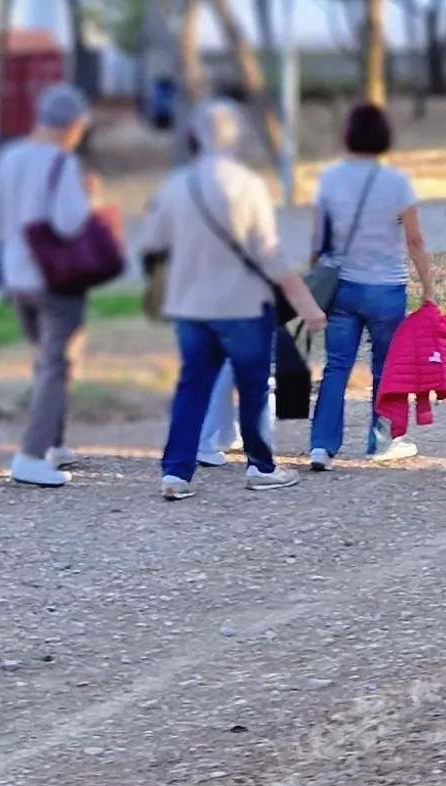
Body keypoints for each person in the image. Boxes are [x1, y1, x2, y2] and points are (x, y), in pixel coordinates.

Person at [131, 99, 319, 498]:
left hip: (190, 305)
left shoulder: (176, 185)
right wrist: (304, 302)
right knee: (253, 387)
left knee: (192, 386)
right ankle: (260, 467)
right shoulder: (247, 186)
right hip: (242, 305)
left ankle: (175, 474)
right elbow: (269, 254)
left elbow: (151, 245)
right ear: (236, 139)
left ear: (195, 137)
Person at [0, 84, 100, 487]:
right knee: (56, 365)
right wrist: (88, 196)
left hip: (16, 277)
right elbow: (70, 222)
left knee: (46, 360)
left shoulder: (10, 156)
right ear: (71, 124)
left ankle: (54, 443)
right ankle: (31, 456)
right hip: (57, 279)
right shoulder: (63, 163)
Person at [305, 101, 435, 469]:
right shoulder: (397, 183)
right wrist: (429, 288)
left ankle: (321, 446)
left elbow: (317, 240)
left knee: (336, 367)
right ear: (384, 137)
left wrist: (314, 281)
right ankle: (381, 441)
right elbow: (415, 241)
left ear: (347, 136)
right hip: (386, 290)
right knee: (386, 367)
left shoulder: (330, 179)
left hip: (343, 287)